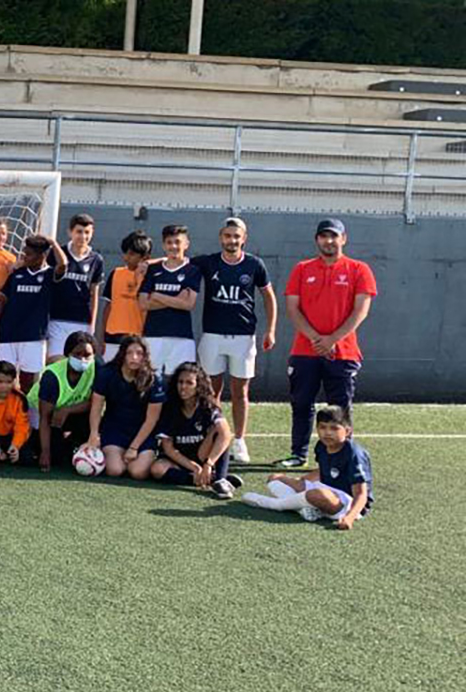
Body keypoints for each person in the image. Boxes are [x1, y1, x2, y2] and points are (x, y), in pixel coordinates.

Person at [277, 218, 376, 469]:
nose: (328, 241)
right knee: (301, 404)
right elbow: (292, 308)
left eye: (334, 236)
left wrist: (332, 339)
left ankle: (343, 457)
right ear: (317, 240)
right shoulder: (302, 268)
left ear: (343, 239)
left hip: (343, 352)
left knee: (340, 409)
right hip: (304, 351)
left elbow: (360, 311)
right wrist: (315, 338)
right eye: (324, 236)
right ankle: (298, 454)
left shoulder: (359, 269)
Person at [191, 217, 276, 464]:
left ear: (244, 238)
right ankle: (215, 435)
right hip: (213, 336)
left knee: (240, 392)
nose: (232, 241)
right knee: (211, 391)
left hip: (243, 338)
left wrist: (270, 330)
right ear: (221, 237)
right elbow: (178, 261)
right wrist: (148, 263)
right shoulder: (208, 262)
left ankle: (239, 440)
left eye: (236, 236)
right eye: (228, 236)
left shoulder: (254, 264)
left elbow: (269, 297)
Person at [245, 405, 373, 530]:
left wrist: (349, 517)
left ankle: (276, 505)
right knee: (276, 478)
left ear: (347, 431)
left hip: (347, 504)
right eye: (323, 427)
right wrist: (299, 481)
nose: (327, 433)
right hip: (325, 490)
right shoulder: (321, 445)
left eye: (334, 428)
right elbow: (323, 470)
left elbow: (361, 493)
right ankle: (306, 509)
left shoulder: (354, 454)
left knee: (317, 495)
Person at [150, 361, 240, 500]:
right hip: (180, 459)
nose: (183, 387)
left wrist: (209, 463)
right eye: (180, 382)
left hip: (202, 454)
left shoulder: (208, 405)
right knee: (156, 470)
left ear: (199, 385)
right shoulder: (170, 406)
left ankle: (220, 480)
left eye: (189, 383)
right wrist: (195, 468)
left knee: (220, 432)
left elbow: (226, 434)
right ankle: (207, 479)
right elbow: (168, 448)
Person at [0, 235, 66, 392]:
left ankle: (26, 414)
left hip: (33, 336)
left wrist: (53, 242)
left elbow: (63, 265)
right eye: (24, 253)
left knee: (28, 383)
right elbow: (2, 301)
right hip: (8, 334)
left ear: (42, 256)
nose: (24, 257)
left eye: (29, 254)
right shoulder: (16, 275)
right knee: (2, 378)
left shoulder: (49, 274)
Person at [86, 335, 165, 480]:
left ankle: (149, 456)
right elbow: (96, 407)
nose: (134, 357)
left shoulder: (154, 379)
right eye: (129, 353)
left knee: (137, 472)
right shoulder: (106, 373)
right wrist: (93, 435)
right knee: (115, 470)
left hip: (142, 432)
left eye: (139, 353)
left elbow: (152, 419)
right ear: (122, 354)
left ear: (145, 356)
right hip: (114, 428)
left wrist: (134, 447)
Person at [27, 330, 97, 472]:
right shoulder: (52, 377)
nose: (83, 359)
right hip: (41, 416)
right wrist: (45, 453)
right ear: (68, 354)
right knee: (54, 457)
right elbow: (44, 418)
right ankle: (38, 445)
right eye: (77, 354)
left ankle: (73, 445)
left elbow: (96, 403)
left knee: (92, 418)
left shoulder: (97, 368)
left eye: (87, 355)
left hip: (67, 411)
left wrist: (67, 410)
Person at [139, 224, 202, 377]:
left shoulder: (192, 270)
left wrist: (157, 296)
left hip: (181, 336)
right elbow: (143, 303)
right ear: (163, 245)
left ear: (186, 244)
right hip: (153, 335)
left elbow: (188, 304)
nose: (173, 246)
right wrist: (175, 300)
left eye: (177, 242)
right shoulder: (153, 270)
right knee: (149, 382)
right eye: (169, 242)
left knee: (181, 383)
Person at [47, 213, 104, 362]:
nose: (83, 236)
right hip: (57, 320)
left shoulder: (96, 259)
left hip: (82, 322)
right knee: (56, 362)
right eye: (79, 232)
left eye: (87, 232)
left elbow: (94, 294)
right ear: (70, 232)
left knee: (80, 363)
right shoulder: (58, 255)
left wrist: (92, 325)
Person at [99, 231, 153, 362]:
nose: (126, 258)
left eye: (132, 254)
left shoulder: (151, 277)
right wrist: (101, 337)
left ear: (144, 257)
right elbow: (108, 306)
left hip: (137, 336)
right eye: (125, 253)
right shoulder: (116, 274)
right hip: (113, 336)